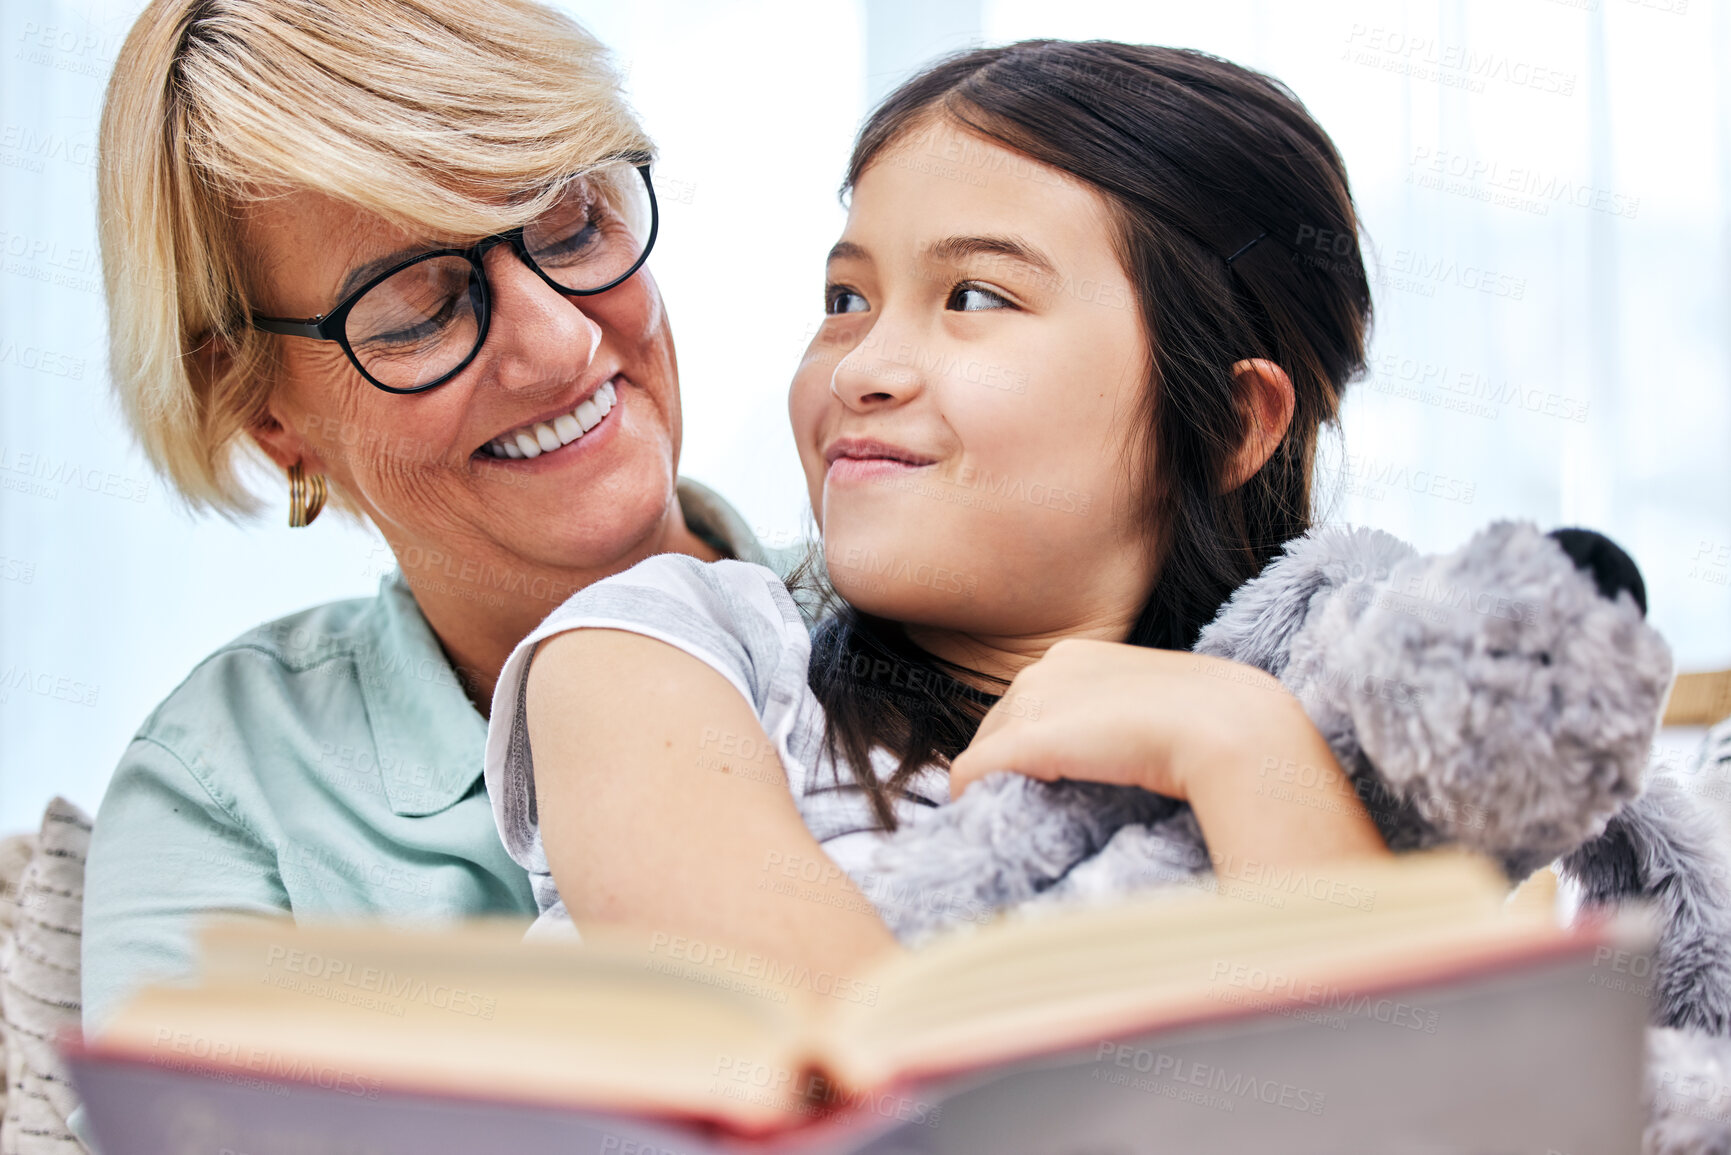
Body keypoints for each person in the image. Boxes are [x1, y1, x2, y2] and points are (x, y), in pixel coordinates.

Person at [486, 41, 1391, 984]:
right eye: (846, 298)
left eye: (973, 296)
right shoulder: (658, 651)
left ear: (1227, 423)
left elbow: (1419, 1100)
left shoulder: (1323, 732)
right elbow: (831, 1058)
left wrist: (1243, 744)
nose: (860, 367)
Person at [80, 0, 764, 1032]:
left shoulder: (948, 618)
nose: (562, 348)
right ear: (268, 411)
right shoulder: (225, 788)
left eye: (573, 222)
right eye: (418, 309)